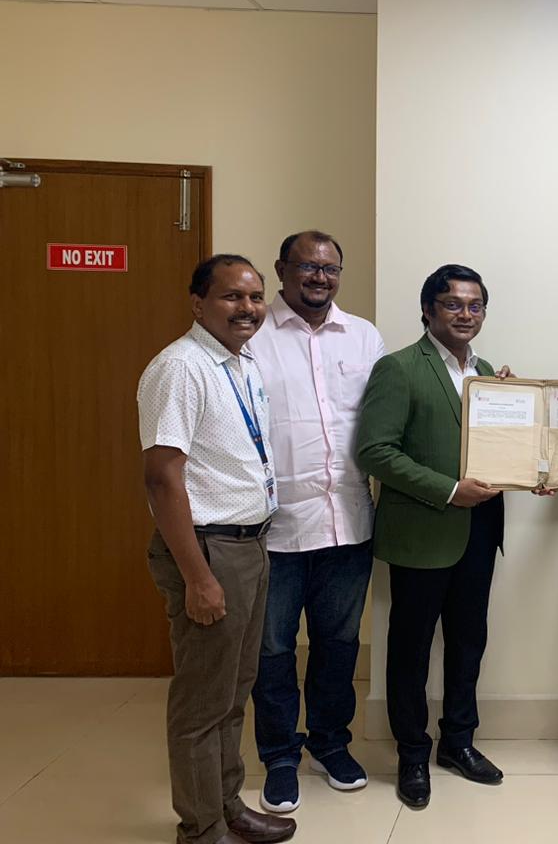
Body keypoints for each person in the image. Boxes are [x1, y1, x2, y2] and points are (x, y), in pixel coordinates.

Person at [138, 254, 296, 844]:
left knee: (234, 692)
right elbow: (162, 478)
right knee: (203, 701)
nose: (248, 308)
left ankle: (227, 806)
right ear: (198, 303)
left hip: (249, 545)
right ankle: (201, 828)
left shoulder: (240, 362)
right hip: (208, 549)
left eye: (255, 296)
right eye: (232, 296)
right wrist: (199, 578)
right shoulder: (180, 367)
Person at [356, 264, 510, 810]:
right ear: (428, 310)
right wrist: (448, 490)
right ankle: (412, 753)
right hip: (422, 533)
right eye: (453, 304)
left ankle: (458, 742)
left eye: (475, 305)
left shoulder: (486, 372)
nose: (466, 314)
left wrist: (524, 441)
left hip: (480, 531)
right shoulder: (398, 368)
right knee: (411, 648)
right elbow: (375, 451)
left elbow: (498, 445)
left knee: (469, 641)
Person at [246, 230, 385, 813]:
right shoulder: (252, 335)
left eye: (330, 268)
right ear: (282, 270)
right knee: (273, 650)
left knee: (338, 645)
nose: (320, 277)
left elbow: (390, 416)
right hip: (274, 528)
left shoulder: (364, 337)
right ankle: (280, 756)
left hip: (347, 523)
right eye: (307, 266)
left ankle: (330, 744)